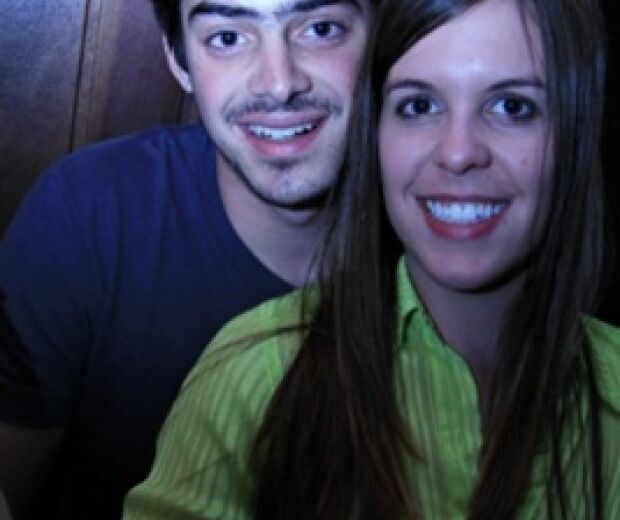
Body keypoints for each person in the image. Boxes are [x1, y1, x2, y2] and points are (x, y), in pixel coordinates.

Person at [123, 0, 620, 517]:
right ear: (375, 129)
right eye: (418, 106)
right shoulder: (258, 374)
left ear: (576, 128)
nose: (458, 152)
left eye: (513, 107)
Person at [0, 0, 372, 517]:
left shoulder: (446, 241)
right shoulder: (89, 214)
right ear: (179, 61)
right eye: (227, 38)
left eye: (321, 29)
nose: (279, 83)